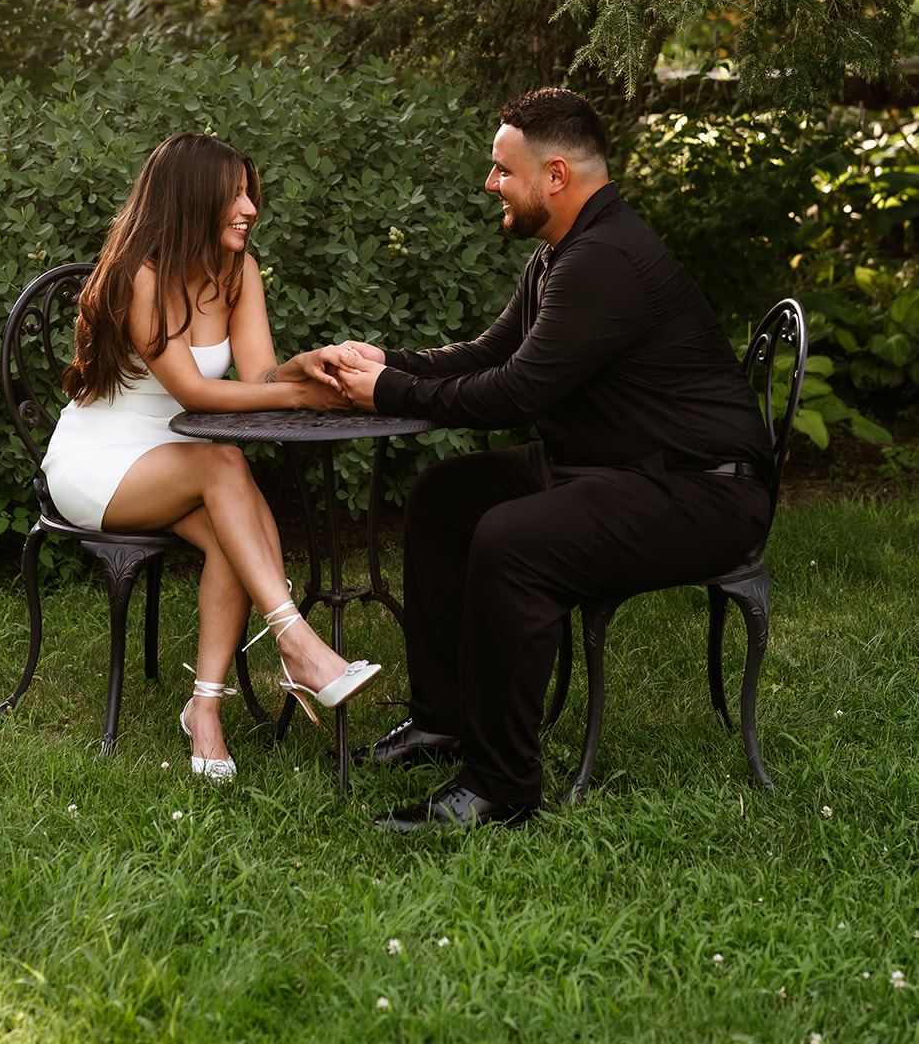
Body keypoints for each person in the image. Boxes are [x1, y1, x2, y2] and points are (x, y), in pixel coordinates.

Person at [310, 88, 772, 830]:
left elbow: (517, 392)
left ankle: (499, 788)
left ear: (554, 175)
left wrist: (386, 390)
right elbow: (492, 354)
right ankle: (444, 720)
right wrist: (385, 360)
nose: (490, 184)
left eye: (502, 171)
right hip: (611, 465)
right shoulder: (559, 254)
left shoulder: (606, 258)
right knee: (444, 497)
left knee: (512, 540)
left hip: (699, 491)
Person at [41, 131, 380, 781]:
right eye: (234, 196)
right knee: (225, 463)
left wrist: (304, 370)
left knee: (231, 525)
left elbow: (255, 377)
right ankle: (296, 643)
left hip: (178, 463)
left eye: (250, 192)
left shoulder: (237, 271)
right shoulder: (139, 275)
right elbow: (195, 391)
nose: (251, 207)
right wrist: (304, 392)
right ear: (190, 201)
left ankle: (206, 710)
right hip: (100, 461)